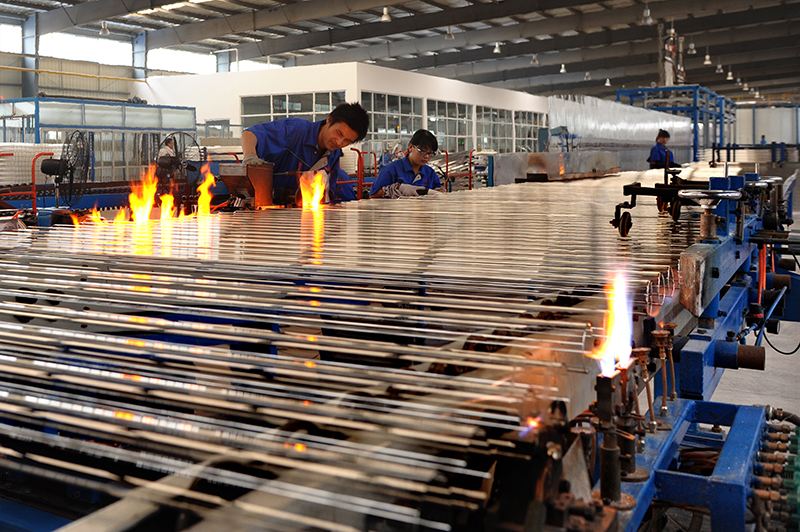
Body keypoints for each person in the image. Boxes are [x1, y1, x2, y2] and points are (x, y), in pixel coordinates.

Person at [242, 103, 369, 205]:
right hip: (263, 204)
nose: (339, 142)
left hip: (296, 212)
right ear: (329, 120)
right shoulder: (294, 130)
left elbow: (326, 193)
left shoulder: (333, 155)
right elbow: (250, 134)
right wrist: (250, 156)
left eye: (347, 141)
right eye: (339, 133)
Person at [370, 130, 442, 198]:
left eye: (430, 153)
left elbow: (437, 193)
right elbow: (373, 196)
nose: (426, 156)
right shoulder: (391, 170)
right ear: (411, 147)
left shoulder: (430, 174)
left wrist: (440, 193)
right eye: (423, 151)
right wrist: (398, 189)